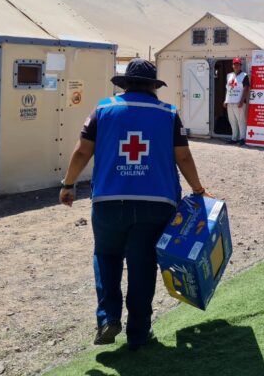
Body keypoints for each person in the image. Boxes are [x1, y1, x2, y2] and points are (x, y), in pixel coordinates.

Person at [59, 58, 210, 350]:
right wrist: (198, 188)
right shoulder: (168, 113)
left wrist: (68, 185)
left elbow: (81, 152)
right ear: (153, 87)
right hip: (157, 202)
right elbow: (184, 157)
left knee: (106, 255)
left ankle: (107, 317)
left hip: (108, 200)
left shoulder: (102, 109)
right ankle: (139, 334)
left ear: (125, 84)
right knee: (143, 265)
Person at [223, 57, 250, 144]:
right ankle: (234, 138)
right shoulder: (229, 76)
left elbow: (246, 89)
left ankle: (242, 138)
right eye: (235, 64)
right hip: (230, 102)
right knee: (232, 121)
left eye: (238, 64)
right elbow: (228, 88)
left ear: (240, 66)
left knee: (241, 121)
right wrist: (225, 100)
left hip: (239, 103)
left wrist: (242, 101)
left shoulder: (244, 76)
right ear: (232, 65)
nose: (236, 66)